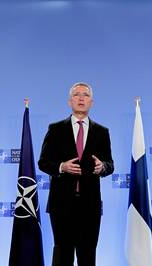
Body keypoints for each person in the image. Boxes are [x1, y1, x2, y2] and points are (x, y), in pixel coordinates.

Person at [38, 82, 114, 266]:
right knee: (62, 255)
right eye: (77, 95)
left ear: (92, 102)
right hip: (61, 203)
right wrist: (62, 166)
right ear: (69, 101)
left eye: (85, 95)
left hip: (90, 204)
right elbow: (43, 162)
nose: (81, 98)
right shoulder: (55, 129)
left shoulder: (102, 132)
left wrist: (102, 167)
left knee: (87, 255)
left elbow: (110, 164)